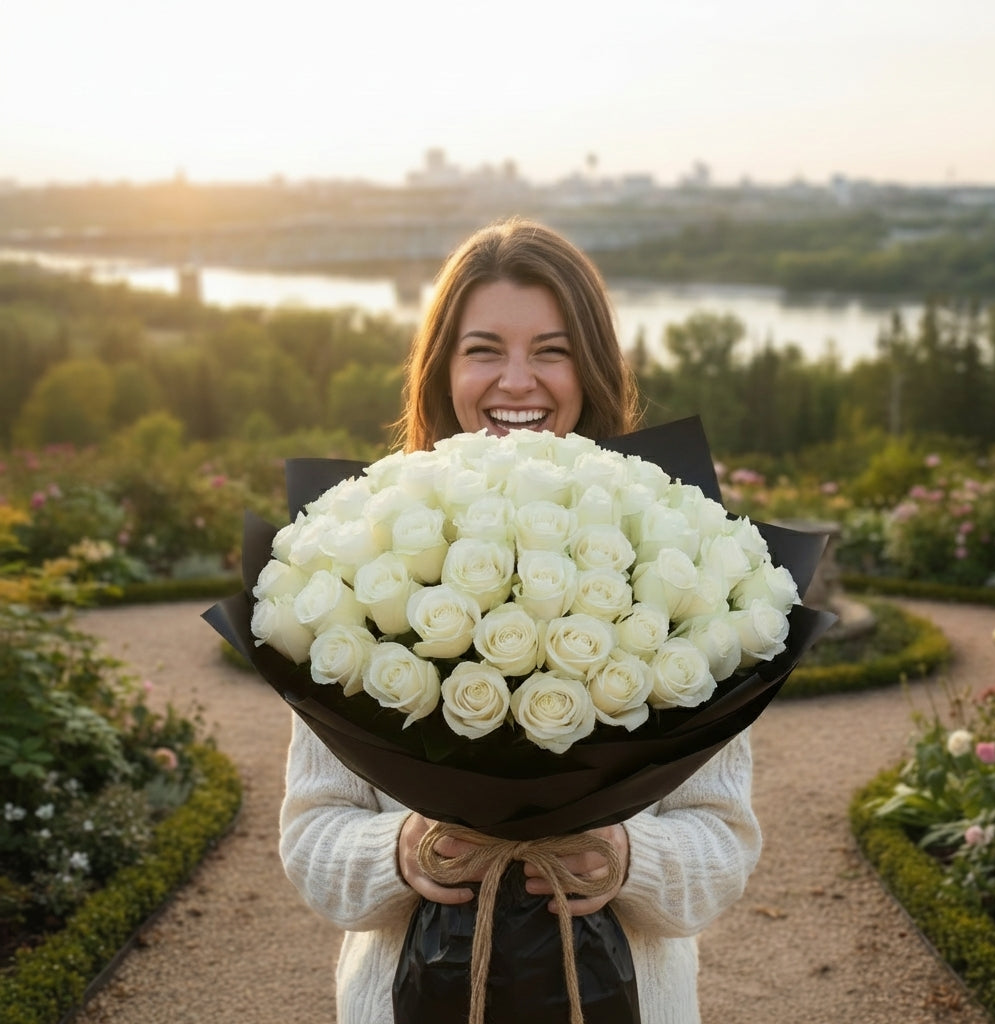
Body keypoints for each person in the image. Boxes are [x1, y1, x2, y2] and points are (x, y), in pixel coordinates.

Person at [278, 217, 762, 1024]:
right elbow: (311, 840)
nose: (516, 382)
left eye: (551, 349)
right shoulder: (363, 552)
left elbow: (723, 848)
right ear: (442, 369)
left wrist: (627, 860)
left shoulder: (685, 560)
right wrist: (397, 852)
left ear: (592, 367)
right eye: (482, 350)